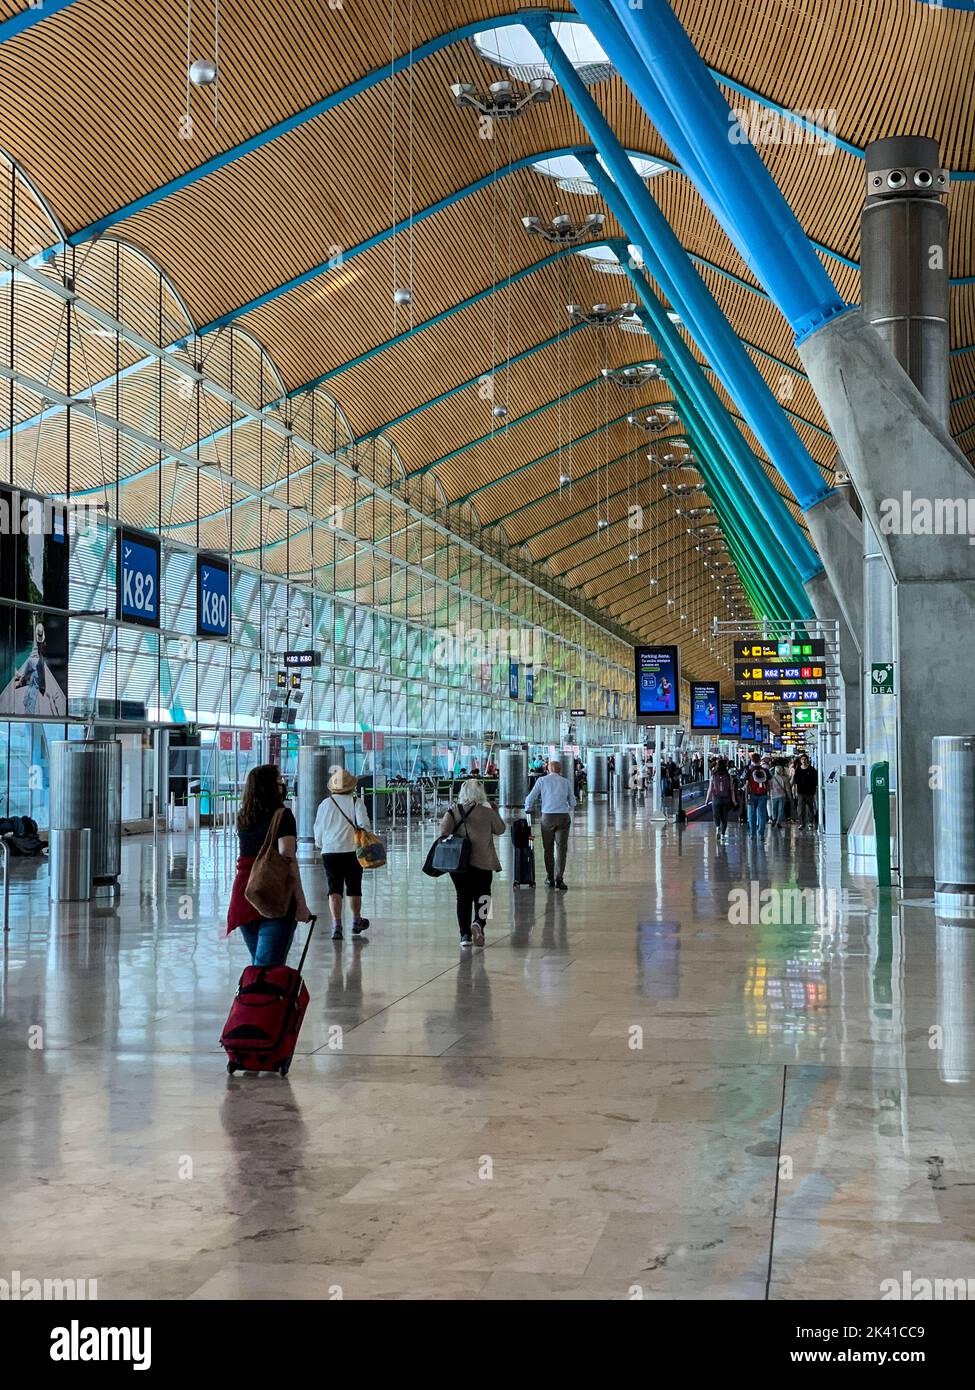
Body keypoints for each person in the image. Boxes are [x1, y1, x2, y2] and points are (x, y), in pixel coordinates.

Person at [227, 764, 312, 965]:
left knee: (260, 964)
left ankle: (255, 995)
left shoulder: (243, 818)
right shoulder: (283, 816)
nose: (283, 784)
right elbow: (287, 857)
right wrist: (300, 902)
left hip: (245, 895)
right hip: (275, 895)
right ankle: (261, 997)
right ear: (269, 786)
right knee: (266, 969)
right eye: (279, 780)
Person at [438, 778, 505, 948]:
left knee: (463, 897)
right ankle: (479, 924)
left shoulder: (454, 810)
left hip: (459, 862)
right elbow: (500, 830)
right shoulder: (487, 811)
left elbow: (443, 832)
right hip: (484, 861)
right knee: (484, 896)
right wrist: (496, 812)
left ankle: (465, 936)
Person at [314, 766, 372, 942]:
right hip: (352, 851)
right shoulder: (357, 803)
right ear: (352, 787)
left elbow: (318, 830)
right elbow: (364, 826)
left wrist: (321, 844)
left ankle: (336, 925)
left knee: (334, 888)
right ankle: (356, 921)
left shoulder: (325, 804)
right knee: (354, 887)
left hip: (330, 852)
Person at [524, 757, 575, 889]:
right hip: (563, 817)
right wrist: (566, 807)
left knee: (548, 849)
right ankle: (559, 879)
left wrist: (528, 809)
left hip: (547, 817)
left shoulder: (542, 780)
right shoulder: (566, 782)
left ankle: (550, 878)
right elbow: (573, 802)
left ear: (548, 769)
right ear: (560, 770)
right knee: (561, 849)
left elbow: (530, 797)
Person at [705, 757, 736, 841]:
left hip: (716, 798)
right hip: (726, 798)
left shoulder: (713, 776)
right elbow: (732, 789)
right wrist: (734, 800)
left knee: (716, 815)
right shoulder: (729, 776)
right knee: (724, 817)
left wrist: (707, 800)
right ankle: (722, 834)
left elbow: (710, 789)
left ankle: (718, 827)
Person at [744, 752, 771, 838]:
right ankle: (761, 834)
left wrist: (746, 796)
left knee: (751, 814)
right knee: (762, 814)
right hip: (763, 794)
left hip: (752, 795)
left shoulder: (749, 771)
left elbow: (747, 785)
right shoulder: (766, 771)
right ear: (760, 760)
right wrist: (768, 793)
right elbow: (769, 784)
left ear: (751, 760)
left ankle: (752, 833)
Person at [794, 754, 819, 830]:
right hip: (800, 792)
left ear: (807, 760)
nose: (803, 761)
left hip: (809, 792)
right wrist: (795, 791)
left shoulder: (812, 770)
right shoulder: (798, 769)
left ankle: (810, 822)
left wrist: (814, 790)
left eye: (805, 759)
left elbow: (815, 781)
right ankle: (802, 823)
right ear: (800, 761)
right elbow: (796, 781)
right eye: (802, 759)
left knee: (810, 808)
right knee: (801, 809)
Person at [768, 760, 790, 829]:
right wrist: (789, 796)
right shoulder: (784, 778)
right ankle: (778, 822)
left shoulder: (771, 779)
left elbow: (769, 788)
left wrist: (769, 794)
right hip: (782, 796)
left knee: (774, 809)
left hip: (773, 796)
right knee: (781, 809)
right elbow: (787, 789)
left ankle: (774, 818)